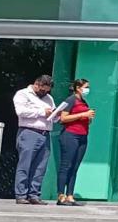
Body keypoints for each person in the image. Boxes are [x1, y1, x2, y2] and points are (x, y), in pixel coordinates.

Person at [13, 75, 57, 205]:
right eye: (43, 90)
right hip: (29, 132)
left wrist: (56, 115)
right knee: (25, 165)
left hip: (45, 133)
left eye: (47, 90)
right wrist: (42, 112)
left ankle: (34, 194)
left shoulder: (49, 98)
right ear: (36, 84)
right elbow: (21, 111)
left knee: (40, 167)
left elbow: (52, 115)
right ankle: (21, 194)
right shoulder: (23, 94)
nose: (45, 93)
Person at [56, 78, 95, 206]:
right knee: (66, 165)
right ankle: (61, 195)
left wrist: (88, 118)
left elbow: (84, 117)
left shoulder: (83, 101)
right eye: (86, 87)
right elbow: (63, 118)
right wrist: (82, 115)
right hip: (70, 135)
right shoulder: (70, 100)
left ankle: (70, 195)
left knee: (74, 167)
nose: (87, 89)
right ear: (78, 88)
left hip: (83, 136)